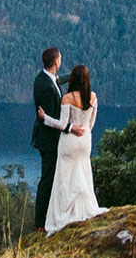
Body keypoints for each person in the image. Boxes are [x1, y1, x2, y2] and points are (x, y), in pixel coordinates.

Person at [44, 64, 106, 232]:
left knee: (64, 177)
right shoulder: (93, 97)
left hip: (69, 141)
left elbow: (62, 124)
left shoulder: (67, 98)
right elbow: (91, 123)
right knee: (83, 174)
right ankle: (84, 209)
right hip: (85, 140)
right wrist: (85, 132)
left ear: (72, 79)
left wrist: (45, 118)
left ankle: (65, 213)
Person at [31, 47, 72, 232]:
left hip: (47, 139)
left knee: (51, 177)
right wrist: (70, 128)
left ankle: (49, 218)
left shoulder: (45, 78)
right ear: (56, 62)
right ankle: (40, 223)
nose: (61, 61)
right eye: (60, 59)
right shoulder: (47, 88)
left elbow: (57, 80)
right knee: (47, 180)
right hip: (49, 140)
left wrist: (73, 76)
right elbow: (51, 118)